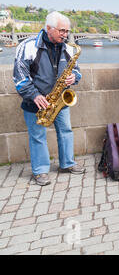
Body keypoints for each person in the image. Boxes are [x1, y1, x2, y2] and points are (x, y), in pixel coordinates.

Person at [13, 11, 84, 186]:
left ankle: (67, 163)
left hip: (59, 99)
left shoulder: (67, 47)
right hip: (36, 101)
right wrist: (35, 95)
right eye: (61, 31)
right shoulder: (28, 46)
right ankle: (40, 171)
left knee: (66, 131)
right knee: (37, 136)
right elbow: (19, 78)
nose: (65, 35)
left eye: (67, 31)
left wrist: (74, 77)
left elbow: (76, 70)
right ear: (48, 29)